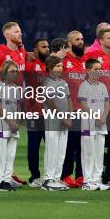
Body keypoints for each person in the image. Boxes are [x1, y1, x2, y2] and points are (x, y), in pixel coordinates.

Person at [85, 28, 110, 184]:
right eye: (109, 38)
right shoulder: (91, 55)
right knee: (95, 138)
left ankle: (108, 173)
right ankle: (90, 176)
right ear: (100, 40)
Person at [78, 59, 110, 191]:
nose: (98, 71)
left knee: (99, 153)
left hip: (101, 125)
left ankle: (97, 180)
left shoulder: (103, 86)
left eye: (99, 69)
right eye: (95, 69)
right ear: (88, 70)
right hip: (88, 125)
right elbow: (83, 104)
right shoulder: (84, 86)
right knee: (88, 153)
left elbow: (107, 104)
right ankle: (87, 181)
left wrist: (103, 117)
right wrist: (95, 116)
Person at [60, 30, 86, 188]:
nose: (81, 42)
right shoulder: (62, 60)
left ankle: (81, 175)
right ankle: (66, 175)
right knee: (69, 145)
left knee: (83, 145)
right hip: (69, 110)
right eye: (77, 39)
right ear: (69, 43)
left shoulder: (86, 60)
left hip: (84, 110)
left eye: (82, 39)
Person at [42, 56, 71, 192]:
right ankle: (48, 179)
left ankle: (56, 177)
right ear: (50, 67)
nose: (61, 68)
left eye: (61, 66)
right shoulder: (47, 82)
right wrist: (62, 116)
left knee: (61, 150)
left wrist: (69, 116)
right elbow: (50, 102)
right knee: (52, 149)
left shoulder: (64, 82)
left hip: (64, 120)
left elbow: (69, 99)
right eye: (58, 66)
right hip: (52, 119)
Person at [0, 60, 22, 192]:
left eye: (16, 71)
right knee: (1, 155)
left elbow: (19, 107)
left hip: (13, 127)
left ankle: (7, 180)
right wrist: (10, 122)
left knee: (10, 155)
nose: (15, 73)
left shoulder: (16, 88)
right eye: (12, 71)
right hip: (1, 125)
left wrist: (18, 122)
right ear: (4, 72)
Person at [24, 38, 49, 187]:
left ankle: (50, 174)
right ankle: (34, 176)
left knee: (51, 144)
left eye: (48, 47)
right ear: (35, 50)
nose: (47, 49)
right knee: (34, 144)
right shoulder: (30, 64)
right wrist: (25, 53)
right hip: (34, 110)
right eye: (43, 47)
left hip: (49, 111)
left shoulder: (50, 65)